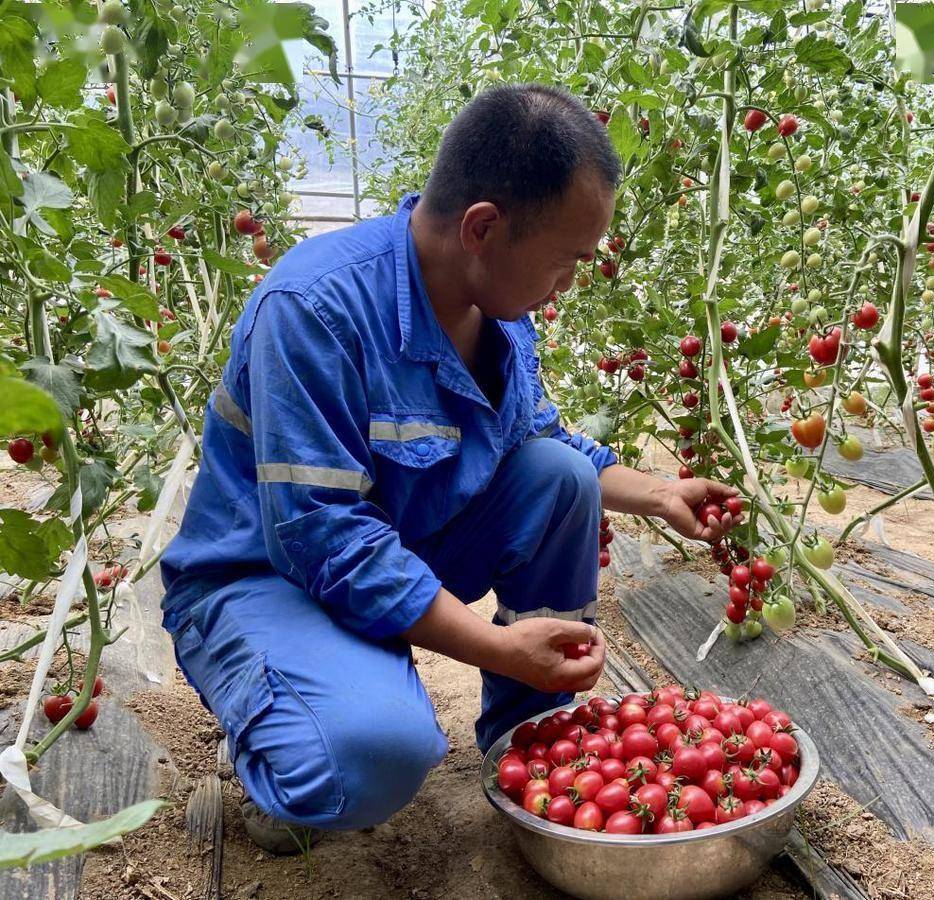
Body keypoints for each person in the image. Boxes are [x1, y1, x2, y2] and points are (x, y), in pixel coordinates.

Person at [158, 83, 742, 853]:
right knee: (371, 759)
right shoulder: (314, 307)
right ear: (483, 227)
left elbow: (540, 439)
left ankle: (529, 739)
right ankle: (283, 738)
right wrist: (492, 646)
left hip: (396, 546)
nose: (568, 282)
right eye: (566, 259)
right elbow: (325, 539)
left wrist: (662, 494)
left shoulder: (495, 311)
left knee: (557, 475)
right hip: (266, 578)